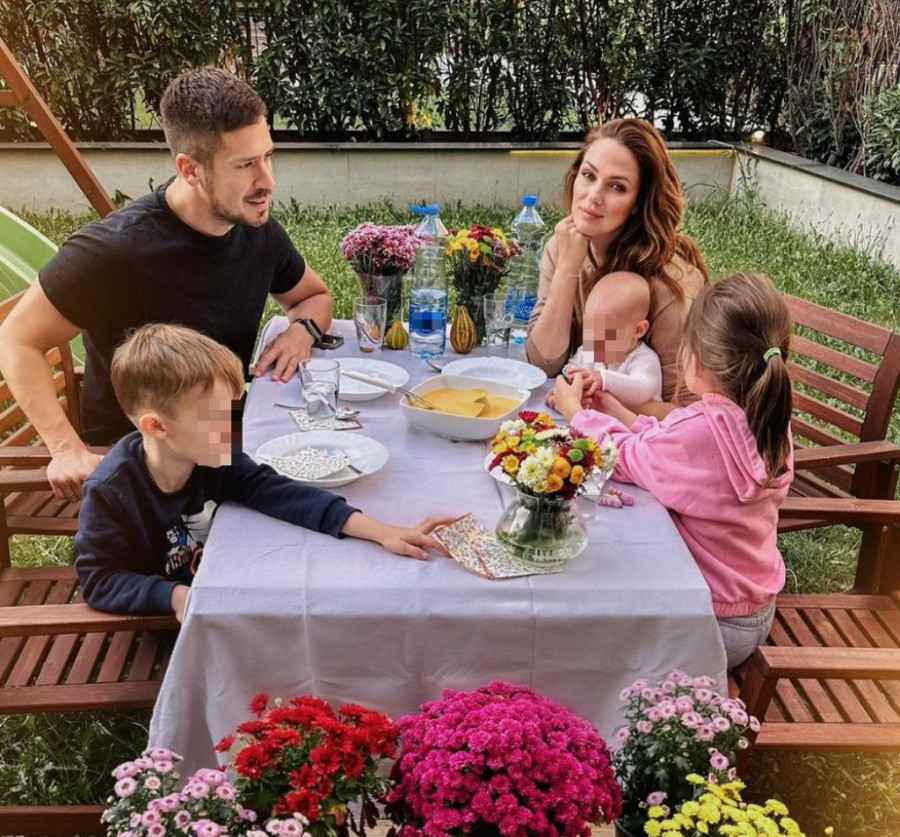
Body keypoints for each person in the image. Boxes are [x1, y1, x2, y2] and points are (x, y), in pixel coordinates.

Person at [0, 67, 333, 503]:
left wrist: (302, 330)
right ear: (190, 169)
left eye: (267, 156)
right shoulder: (113, 251)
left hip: (221, 448)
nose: (267, 181)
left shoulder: (257, 230)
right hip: (139, 469)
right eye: (245, 165)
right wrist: (65, 449)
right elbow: (15, 338)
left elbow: (314, 296)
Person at [74, 324, 452, 621]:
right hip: (171, 615)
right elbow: (100, 580)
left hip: (219, 590)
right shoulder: (111, 491)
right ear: (156, 426)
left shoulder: (214, 455)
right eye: (213, 418)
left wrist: (382, 532)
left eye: (231, 412)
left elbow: (280, 493)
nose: (229, 429)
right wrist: (173, 596)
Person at [552, 273, 794, 669]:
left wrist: (575, 413)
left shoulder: (698, 432)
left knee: (585, 630)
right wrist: (614, 408)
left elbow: (622, 457)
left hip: (706, 623)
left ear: (695, 360)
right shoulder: (769, 416)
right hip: (754, 608)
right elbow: (667, 444)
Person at [525, 118, 708, 409]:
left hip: (642, 433)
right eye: (589, 175)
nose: (594, 196)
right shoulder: (563, 247)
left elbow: (693, 412)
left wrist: (598, 400)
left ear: (638, 202)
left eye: (617, 187)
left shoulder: (668, 286)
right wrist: (568, 267)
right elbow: (544, 363)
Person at [547, 270, 662, 412]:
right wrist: (566, 388)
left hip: (634, 424)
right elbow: (572, 368)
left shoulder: (644, 359)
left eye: (607, 331)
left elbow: (642, 391)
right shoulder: (593, 348)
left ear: (638, 330)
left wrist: (603, 379)